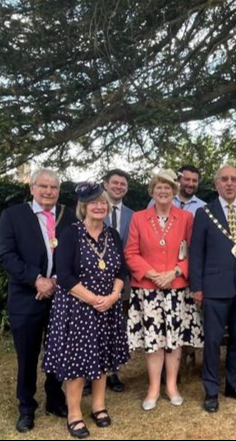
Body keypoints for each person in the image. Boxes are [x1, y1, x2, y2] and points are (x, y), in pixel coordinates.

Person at [42, 182, 130, 439]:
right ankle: (73, 414)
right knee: (76, 365)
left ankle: (98, 406)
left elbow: (121, 270)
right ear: (84, 206)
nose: (100, 206)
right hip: (77, 309)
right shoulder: (70, 234)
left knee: (102, 358)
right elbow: (66, 277)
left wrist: (113, 295)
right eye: (94, 202)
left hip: (107, 308)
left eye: (103, 202)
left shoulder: (112, 234)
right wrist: (95, 299)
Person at [0, 168, 76, 433]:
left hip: (60, 297)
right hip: (26, 298)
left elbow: (74, 255)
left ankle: (54, 399)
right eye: (43, 186)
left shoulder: (68, 217)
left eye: (53, 188)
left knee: (58, 352)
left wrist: (55, 280)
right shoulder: (12, 216)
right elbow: (7, 255)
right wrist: (36, 279)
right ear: (31, 188)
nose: (48, 192)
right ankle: (26, 407)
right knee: (27, 356)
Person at [125, 169, 202, 411]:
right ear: (152, 190)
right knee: (153, 340)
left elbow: (194, 251)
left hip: (177, 289)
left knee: (174, 340)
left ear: (175, 190)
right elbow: (130, 252)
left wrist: (175, 272)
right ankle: (153, 388)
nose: (163, 190)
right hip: (148, 290)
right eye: (159, 186)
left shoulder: (186, 218)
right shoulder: (138, 217)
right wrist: (152, 274)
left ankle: (171, 386)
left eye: (168, 186)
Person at [190, 165, 236, 413]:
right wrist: (196, 287)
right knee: (211, 340)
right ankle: (211, 390)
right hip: (214, 288)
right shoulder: (204, 213)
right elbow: (196, 252)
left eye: (233, 179)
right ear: (216, 183)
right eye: (224, 179)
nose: (229, 183)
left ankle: (233, 385)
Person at [99, 168, 134, 394]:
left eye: (123, 184)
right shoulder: (94, 208)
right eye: (115, 183)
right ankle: (90, 371)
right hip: (95, 279)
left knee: (116, 327)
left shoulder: (133, 215)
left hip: (124, 278)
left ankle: (113, 372)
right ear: (105, 184)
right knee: (93, 327)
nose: (119, 187)